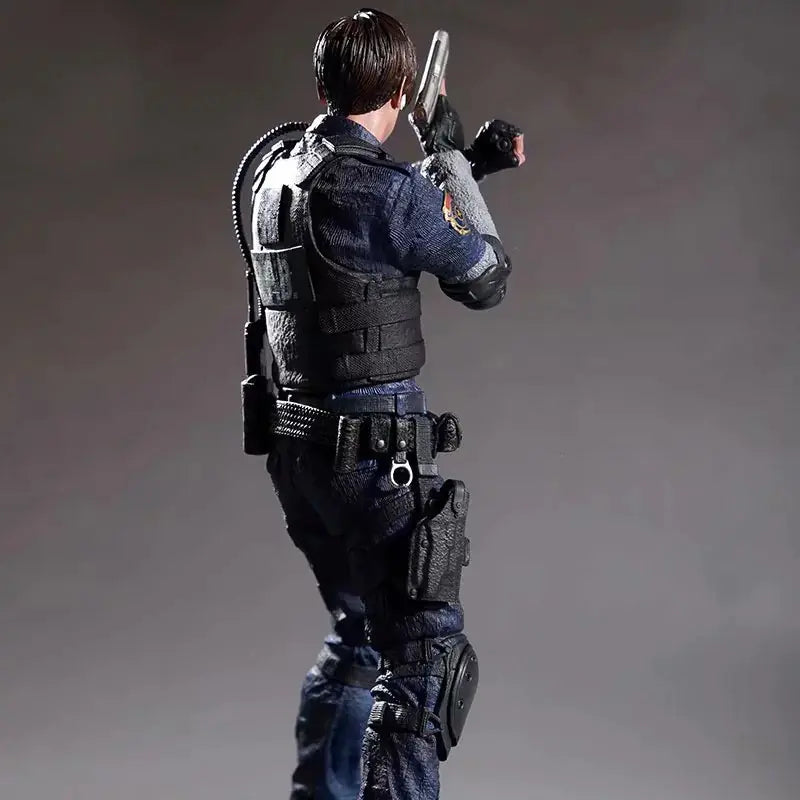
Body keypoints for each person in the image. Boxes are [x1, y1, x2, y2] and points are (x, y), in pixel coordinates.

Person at [247, 8, 524, 799]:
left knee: (360, 636)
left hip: (300, 457)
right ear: (402, 90)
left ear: (323, 87)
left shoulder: (274, 177)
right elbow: (486, 277)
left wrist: (467, 166)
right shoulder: (392, 193)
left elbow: (368, 235)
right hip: (374, 466)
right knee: (424, 666)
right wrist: (448, 157)